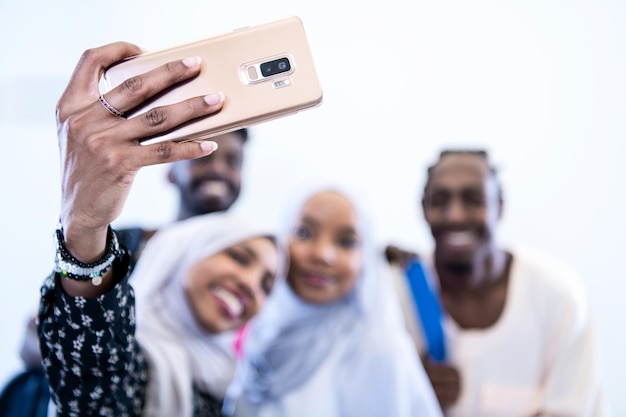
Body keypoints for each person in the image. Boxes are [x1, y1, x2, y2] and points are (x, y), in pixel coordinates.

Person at [36, 41, 282, 417]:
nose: (250, 283)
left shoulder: (242, 391)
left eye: (268, 284)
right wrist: (85, 229)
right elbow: (96, 377)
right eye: (206, 152)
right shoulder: (121, 242)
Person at [389, 149, 608, 416]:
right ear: (423, 208)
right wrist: (406, 388)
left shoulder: (558, 295)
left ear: (500, 205)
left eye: (473, 200)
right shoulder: (396, 293)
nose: (455, 215)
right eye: (440, 200)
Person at [222, 185, 444, 417]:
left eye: (346, 242)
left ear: (365, 260)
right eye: (304, 233)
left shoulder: (377, 349)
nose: (323, 254)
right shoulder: (260, 330)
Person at [117, 127, 250, 270]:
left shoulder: (250, 266)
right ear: (171, 172)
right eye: (202, 157)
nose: (217, 169)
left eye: (233, 161)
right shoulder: (120, 246)